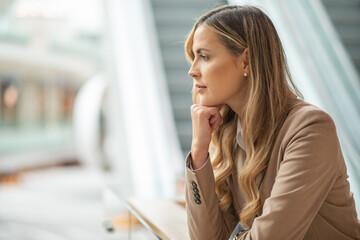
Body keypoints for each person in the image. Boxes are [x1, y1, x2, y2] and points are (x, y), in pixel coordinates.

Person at [184, 5, 360, 240]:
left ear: (246, 61)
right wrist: (199, 152)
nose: (192, 71)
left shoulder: (310, 129)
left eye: (204, 56)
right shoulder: (231, 133)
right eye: (193, 58)